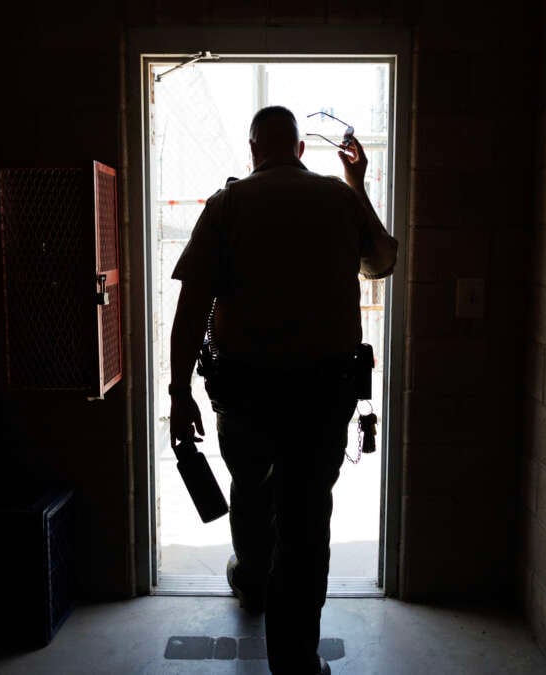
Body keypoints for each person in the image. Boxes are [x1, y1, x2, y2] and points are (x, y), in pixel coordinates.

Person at [167, 105, 398, 675]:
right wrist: (356, 181)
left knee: (249, 486)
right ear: (298, 149)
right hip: (322, 396)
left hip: (245, 394)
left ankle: (250, 580)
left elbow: (191, 306)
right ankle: (294, 661)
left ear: (252, 149)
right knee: (304, 519)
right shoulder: (339, 201)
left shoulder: (228, 204)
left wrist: (178, 394)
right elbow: (384, 261)